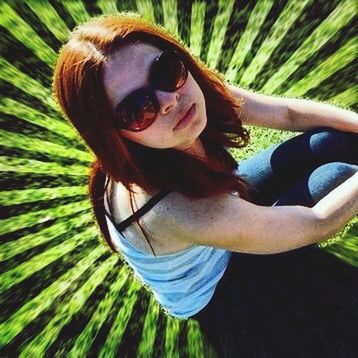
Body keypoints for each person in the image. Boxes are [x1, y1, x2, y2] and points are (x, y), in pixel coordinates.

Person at [53, 13, 358, 357]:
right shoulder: (172, 208)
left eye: (165, 70)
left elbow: (286, 113)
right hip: (221, 292)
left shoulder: (184, 92)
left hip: (221, 213)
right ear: (111, 135)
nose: (168, 100)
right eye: (137, 111)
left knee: (332, 141)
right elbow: (316, 222)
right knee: (338, 178)